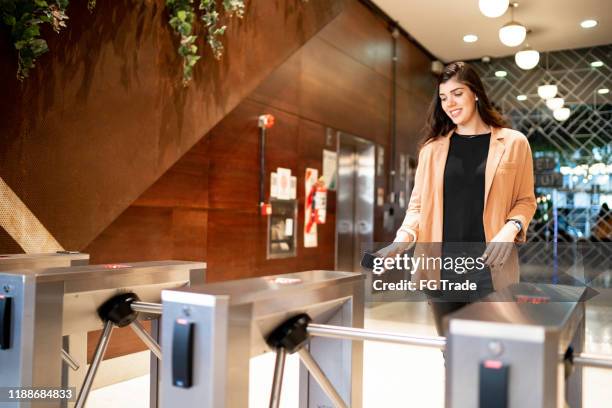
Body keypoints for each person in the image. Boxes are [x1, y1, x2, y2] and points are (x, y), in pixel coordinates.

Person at [378, 61, 537, 335]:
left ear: (475, 93)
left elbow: (525, 200)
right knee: (452, 352)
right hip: (442, 269)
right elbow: (418, 206)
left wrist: (510, 228)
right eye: (443, 97)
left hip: (490, 268)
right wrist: (401, 240)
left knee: (491, 352)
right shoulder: (432, 149)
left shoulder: (513, 142)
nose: (449, 103)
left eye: (457, 93)